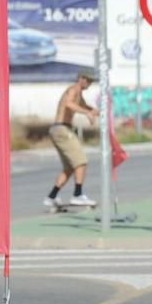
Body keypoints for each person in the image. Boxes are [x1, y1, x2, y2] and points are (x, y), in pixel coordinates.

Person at [44, 71, 98, 209]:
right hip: (62, 129)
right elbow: (68, 104)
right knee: (81, 162)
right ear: (80, 78)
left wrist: (95, 111)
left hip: (60, 130)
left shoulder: (80, 95)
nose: (89, 83)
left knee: (70, 168)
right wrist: (87, 113)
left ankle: (52, 197)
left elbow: (86, 107)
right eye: (87, 80)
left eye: (91, 81)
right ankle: (78, 195)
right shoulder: (73, 89)